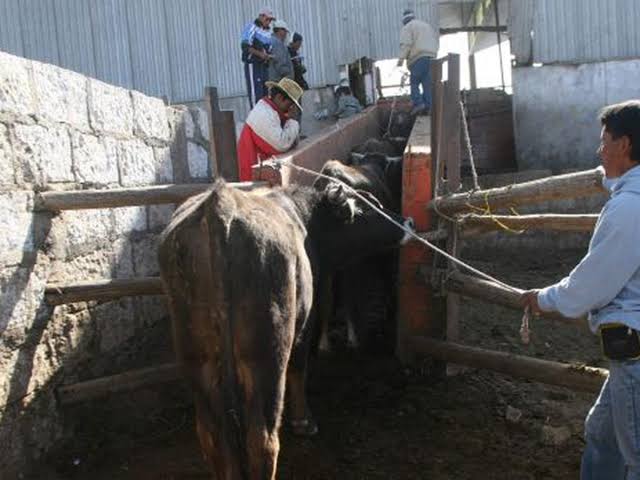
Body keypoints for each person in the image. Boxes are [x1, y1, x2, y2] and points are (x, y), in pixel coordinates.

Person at [520, 100, 640, 479]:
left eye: (604, 143)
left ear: (624, 145)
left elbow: (589, 287)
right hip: (629, 355)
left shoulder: (628, 210)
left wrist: (542, 299)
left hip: (635, 353)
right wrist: (607, 177)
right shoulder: (631, 195)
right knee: (602, 436)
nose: (599, 151)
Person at [236, 78, 303, 181]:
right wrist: (293, 120)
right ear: (280, 98)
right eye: (290, 105)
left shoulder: (271, 111)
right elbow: (281, 145)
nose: (290, 109)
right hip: (252, 177)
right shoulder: (264, 113)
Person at [396, 9, 439, 116]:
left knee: (414, 82)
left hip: (418, 58)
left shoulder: (408, 27)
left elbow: (406, 44)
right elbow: (436, 41)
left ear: (404, 20)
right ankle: (428, 108)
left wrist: (401, 60)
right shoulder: (426, 26)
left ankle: (419, 103)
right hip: (431, 58)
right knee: (427, 84)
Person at [241, 8, 275, 108]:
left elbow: (268, 49)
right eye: (267, 19)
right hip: (253, 65)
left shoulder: (268, 33)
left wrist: (269, 56)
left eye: (270, 20)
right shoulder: (251, 27)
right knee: (255, 96)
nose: (269, 22)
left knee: (265, 96)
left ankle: (264, 120)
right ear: (261, 16)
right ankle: (255, 119)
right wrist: (260, 54)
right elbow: (245, 46)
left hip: (263, 66)